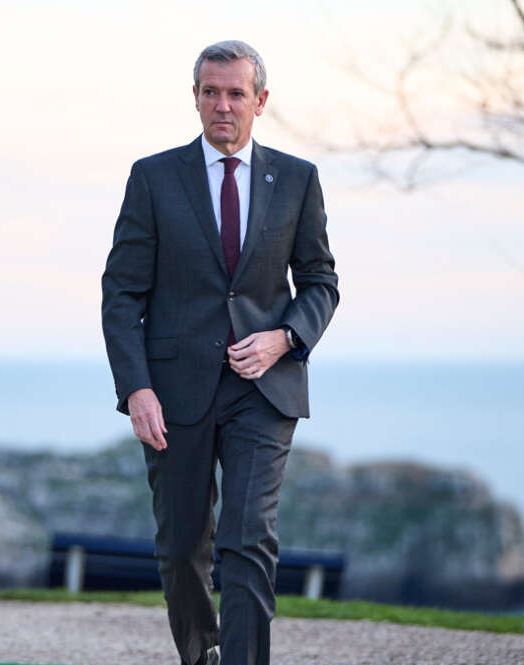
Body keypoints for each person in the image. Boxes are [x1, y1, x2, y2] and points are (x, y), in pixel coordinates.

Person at [100, 40, 340, 665]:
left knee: (247, 538)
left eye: (236, 94)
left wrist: (285, 336)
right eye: (211, 92)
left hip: (264, 388)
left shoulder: (296, 179)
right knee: (182, 546)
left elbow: (320, 281)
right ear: (196, 98)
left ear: (260, 101)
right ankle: (202, 651)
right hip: (174, 391)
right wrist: (136, 388)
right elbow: (122, 292)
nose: (222, 106)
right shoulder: (153, 177)